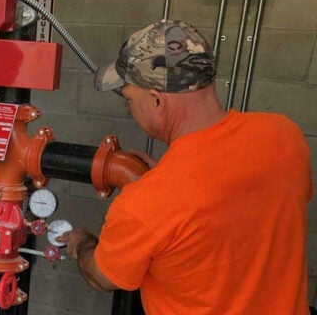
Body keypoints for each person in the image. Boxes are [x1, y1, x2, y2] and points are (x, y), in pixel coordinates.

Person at [57, 19, 313, 314]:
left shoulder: (146, 204)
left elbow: (102, 278)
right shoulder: (284, 136)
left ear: (156, 101)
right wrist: (167, 178)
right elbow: (236, 205)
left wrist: (83, 243)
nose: (130, 109)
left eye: (128, 99)